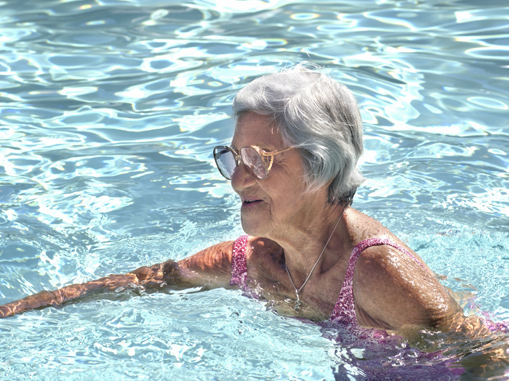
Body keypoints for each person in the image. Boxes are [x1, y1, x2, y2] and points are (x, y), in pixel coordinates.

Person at [0, 65, 481, 338]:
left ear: (322, 165)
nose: (237, 181)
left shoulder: (376, 272)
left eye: (260, 158)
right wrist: (18, 310)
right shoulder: (256, 262)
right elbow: (154, 280)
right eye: (234, 158)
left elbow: (478, 354)